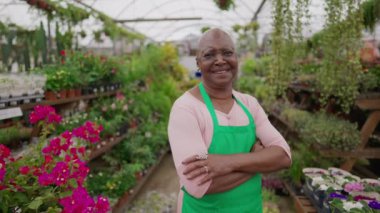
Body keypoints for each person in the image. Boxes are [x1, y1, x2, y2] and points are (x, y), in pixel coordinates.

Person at [168, 28, 292, 213]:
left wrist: (226, 163)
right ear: (198, 63)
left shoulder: (249, 104)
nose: (220, 60)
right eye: (209, 55)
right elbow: (198, 185)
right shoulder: (186, 109)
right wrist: (256, 160)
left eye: (227, 53)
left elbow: (283, 156)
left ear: (236, 58)